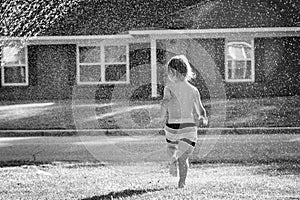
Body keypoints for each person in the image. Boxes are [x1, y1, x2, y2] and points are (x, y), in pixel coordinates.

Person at [161, 55, 208, 188]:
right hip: (189, 127)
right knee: (184, 157)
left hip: (173, 127)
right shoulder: (193, 90)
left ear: (172, 72)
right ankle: (182, 183)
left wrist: (161, 113)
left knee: (171, 151)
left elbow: (165, 103)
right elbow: (201, 110)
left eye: (169, 72)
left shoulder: (169, 88)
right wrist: (202, 118)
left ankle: (172, 162)